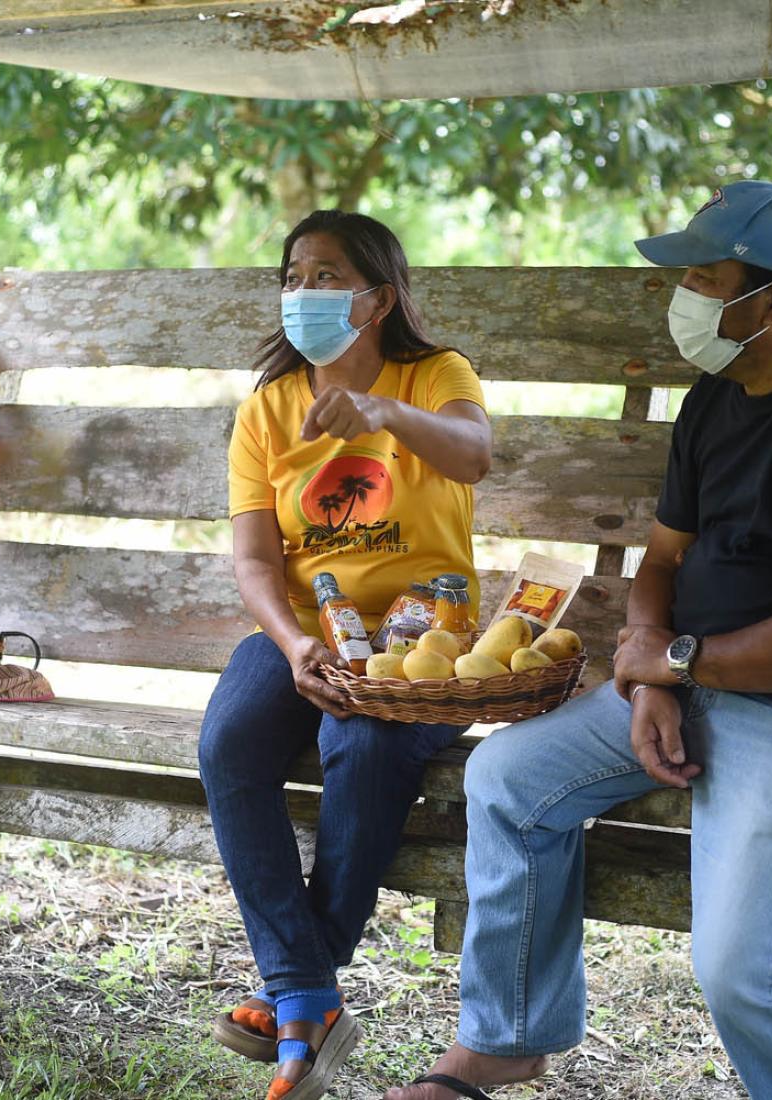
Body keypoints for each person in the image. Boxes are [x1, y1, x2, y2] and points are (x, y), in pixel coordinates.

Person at [389, 181, 772, 1100]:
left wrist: (677, 663)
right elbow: (660, 564)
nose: (682, 295)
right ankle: (507, 1039)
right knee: (508, 781)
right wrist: (650, 672)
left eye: (702, 275)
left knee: (742, 972)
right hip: (700, 683)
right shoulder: (719, 395)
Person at [199, 209, 492, 1100]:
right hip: (305, 630)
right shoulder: (268, 408)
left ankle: (296, 992)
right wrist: (292, 646)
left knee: (359, 747)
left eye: (327, 275)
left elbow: (475, 455)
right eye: (293, 275)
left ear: (378, 299)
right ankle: (311, 991)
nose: (303, 291)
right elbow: (254, 560)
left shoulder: (435, 374)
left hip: (422, 641)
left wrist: (383, 412)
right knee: (230, 744)